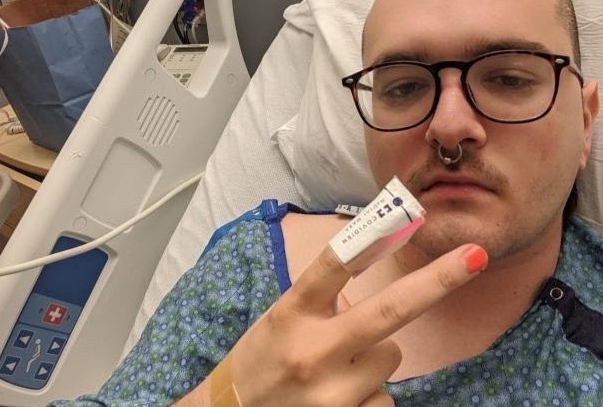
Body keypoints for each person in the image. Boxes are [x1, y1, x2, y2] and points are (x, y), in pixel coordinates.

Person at [50, 0, 601, 406]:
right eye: (404, 87)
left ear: (584, 122)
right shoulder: (254, 268)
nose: (449, 126)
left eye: (508, 78)